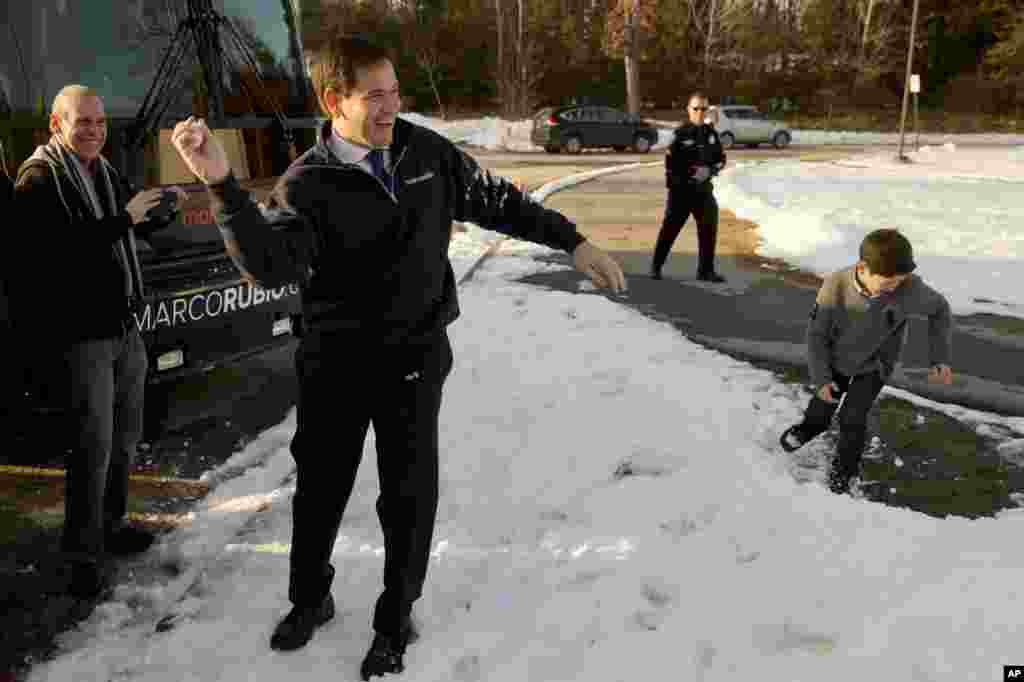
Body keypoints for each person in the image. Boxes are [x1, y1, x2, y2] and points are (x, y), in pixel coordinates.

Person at [170, 35, 626, 681]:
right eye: (374, 95)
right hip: (335, 364)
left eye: (395, 92)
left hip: (413, 356)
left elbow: (498, 200)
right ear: (335, 101)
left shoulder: (424, 152)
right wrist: (220, 182)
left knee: (408, 496)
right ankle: (311, 598)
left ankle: (394, 618)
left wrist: (573, 243)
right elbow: (269, 264)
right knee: (321, 489)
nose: (391, 107)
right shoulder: (307, 184)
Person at [13, 85, 185, 598]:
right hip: (81, 336)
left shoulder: (103, 172)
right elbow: (57, 255)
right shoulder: (38, 179)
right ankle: (81, 556)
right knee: (91, 447)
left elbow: (123, 223)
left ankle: (112, 527)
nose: (94, 131)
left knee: (124, 439)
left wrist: (156, 215)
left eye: (99, 122)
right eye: (82, 122)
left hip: (123, 327)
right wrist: (125, 219)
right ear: (55, 125)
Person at [778, 229, 954, 494]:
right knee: (823, 403)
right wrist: (822, 378)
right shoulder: (836, 285)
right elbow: (816, 335)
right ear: (863, 268)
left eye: (900, 280)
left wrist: (938, 357)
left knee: (853, 418)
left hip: (875, 365)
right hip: (836, 359)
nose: (894, 287)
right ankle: (809, 428)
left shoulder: (909, 288)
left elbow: (940, 310)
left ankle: (844, 473)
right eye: (888, 282)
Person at [650, 92, 727, 283]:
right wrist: (690, 173)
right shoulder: (680, 133)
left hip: (703, 192)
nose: (700, 112)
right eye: (696, 108)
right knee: (670, 230)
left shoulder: (711, 133)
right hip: (681, 193)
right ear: (688, 110)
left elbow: (721, 159)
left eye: (703, 109)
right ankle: (656, 266)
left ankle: (705, 271)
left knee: (709, 229)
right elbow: (670, 164)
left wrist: (709, 171)